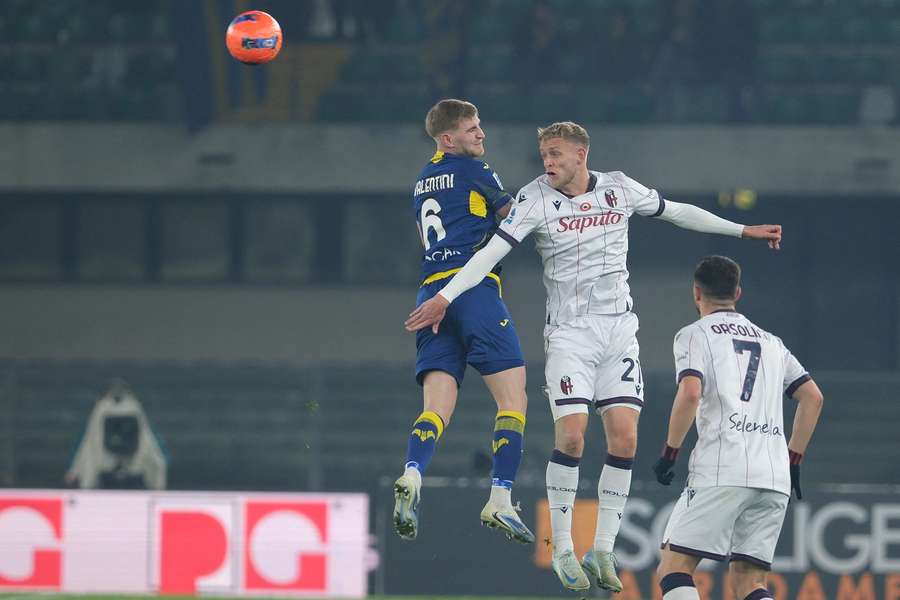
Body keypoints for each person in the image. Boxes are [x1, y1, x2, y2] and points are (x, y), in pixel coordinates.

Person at [404, 121, 782, 592]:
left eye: (556, 154)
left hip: (619, 331)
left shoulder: (620, 188)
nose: (548, 162)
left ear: (581, 154)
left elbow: (677, 211)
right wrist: (447, 296)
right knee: (575, 435)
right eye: (544, 154)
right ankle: (563, 546)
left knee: (624, 439)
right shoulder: (533, 198)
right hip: (569, 336)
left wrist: (742, 230)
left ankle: (602, 547)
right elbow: (488, 253)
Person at [392, 99, 534, 545]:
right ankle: (500, 498)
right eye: (472, 129)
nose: (481, 135)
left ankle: (412, 474)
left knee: (435, 408)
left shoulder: (421, 181)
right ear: (448, 138)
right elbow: (513, 219)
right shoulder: (476, 171)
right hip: (472, 290)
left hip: (429, 294)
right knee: (513, 400)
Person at [652, 256, 823, 600]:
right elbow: (813, 397)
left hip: (722, 467)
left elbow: (690, 391)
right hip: (773, 475)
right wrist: (794, 460)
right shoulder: (772, 342)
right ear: (738, 293)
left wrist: (670, 452)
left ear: (696, 292)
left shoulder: (694, 335)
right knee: (749, 581)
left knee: (674, 567)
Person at [64, 378, 168, 490]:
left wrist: (74, 471)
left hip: (132, 471)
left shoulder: (131, 411)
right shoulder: (101, 413)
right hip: (107, 472)